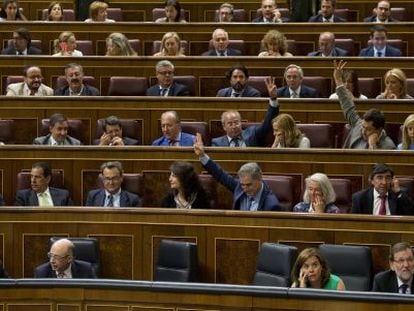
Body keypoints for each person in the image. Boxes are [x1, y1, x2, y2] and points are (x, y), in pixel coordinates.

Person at [194, 134, 280, 211]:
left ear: (259, 179)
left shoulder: (271, 205)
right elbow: (220, 174)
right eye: (243, 184)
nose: (245, 189)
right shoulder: (240, 186)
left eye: (249, 185)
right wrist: (202, 156)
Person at [333, 60, 395, 149]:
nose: (363, 131)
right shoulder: (358, 125)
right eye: (363, 127)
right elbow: (347, 106)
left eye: (368, 129)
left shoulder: (388, 146)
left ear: (379, 130)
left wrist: (372, 145)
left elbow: (376, 163)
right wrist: (338, 80)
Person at [212, 77, 279, 147]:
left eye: (236, 122)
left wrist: (273, 98)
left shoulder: (252, 133)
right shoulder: (217, 143)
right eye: (230, 124)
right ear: (224, 126)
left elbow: (267, 123)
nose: (234, 126)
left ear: (241, 123)